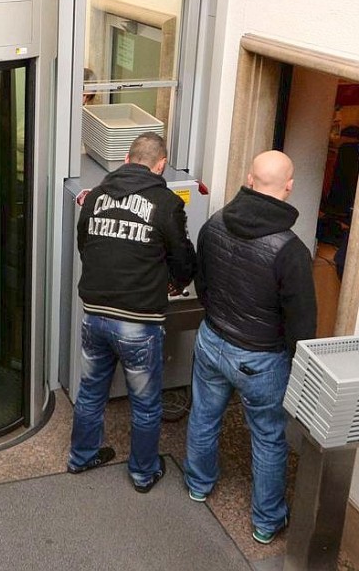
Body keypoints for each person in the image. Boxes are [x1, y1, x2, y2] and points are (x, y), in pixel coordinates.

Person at [183, 150, 316, 545]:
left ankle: (198, 484)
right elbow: (302, 325)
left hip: (212, 339)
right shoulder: (291, 251)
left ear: (250, 179)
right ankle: (266, 521)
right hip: (261, 358)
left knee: (204, 417)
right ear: (289, 188)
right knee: (269, 438)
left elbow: (201, 283)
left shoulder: (215, 223)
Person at [69, 132, 196, 493]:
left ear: (127, 158)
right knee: (145, 403)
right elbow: (183, 258)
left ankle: (81, 457)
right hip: (139, 322)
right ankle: (142, 473)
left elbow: (85, 244)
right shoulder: (167, 203)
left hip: (94, 313)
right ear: (160, 166)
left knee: (91, 392)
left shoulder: (95, 197)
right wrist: (176, 281)